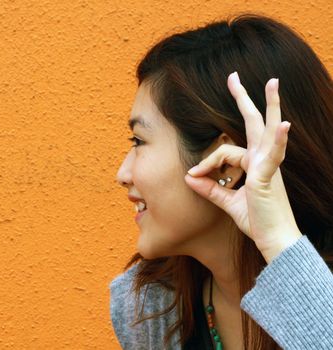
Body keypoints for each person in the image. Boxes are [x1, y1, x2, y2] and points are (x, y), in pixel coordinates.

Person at [110, 12, 333, 350]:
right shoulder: (151, 306)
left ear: (222, 164)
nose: (122, 175)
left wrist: (278, 240)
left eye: (139, 142)